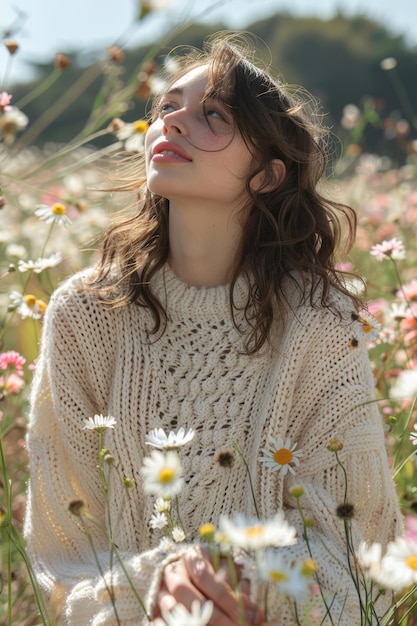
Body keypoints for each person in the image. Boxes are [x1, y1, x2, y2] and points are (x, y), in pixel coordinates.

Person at [24, 32, 402, 625]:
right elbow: (61, 555)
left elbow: (360, 560)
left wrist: (240, 582)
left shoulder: (320, 325)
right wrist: (159, 584)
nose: (172, 123)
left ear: (268, 175)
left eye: (213, 116)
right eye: (167, 107)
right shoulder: (84, 314)